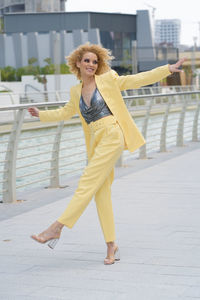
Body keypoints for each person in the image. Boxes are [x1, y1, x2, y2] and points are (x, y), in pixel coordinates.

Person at [28, 43, 185, 265]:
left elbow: (136, 79)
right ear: (78, 64)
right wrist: (41, 115)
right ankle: (112, 246)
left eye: (95, 61)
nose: (92, 64)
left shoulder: (108, 79)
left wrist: (166, 69)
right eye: (87, 61)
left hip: (112, 134)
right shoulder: (75, 91)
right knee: (100, 193)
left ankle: (57, 227)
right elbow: (65, 112)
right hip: (95, 141)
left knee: (87, 182)